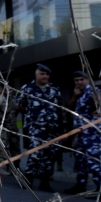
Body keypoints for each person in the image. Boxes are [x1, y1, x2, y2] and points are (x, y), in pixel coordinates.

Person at [16, 64, 62, 192]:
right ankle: (28, 181)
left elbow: (59, 108)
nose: (45, 76)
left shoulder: (54, 89)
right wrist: (33, 115)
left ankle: (45, 182)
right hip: (35, 128)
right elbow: (20, 106)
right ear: (36, 75)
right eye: (42, 74)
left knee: (49, 155)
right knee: (35, 154)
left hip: (52, 128)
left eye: (47, 74)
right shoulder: (27, 88)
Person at [64, 71, 101, 197]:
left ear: (88, 80)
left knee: (94, 160)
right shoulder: (79, 93)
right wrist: (75, 96)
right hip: (81, 133)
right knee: (81, 161)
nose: (79, 82)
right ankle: (80, 185)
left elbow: (99, 101)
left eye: (81, 79)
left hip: (92, 133)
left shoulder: (92, 90)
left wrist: (100, 109)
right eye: (77, 80)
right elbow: (69, 107)